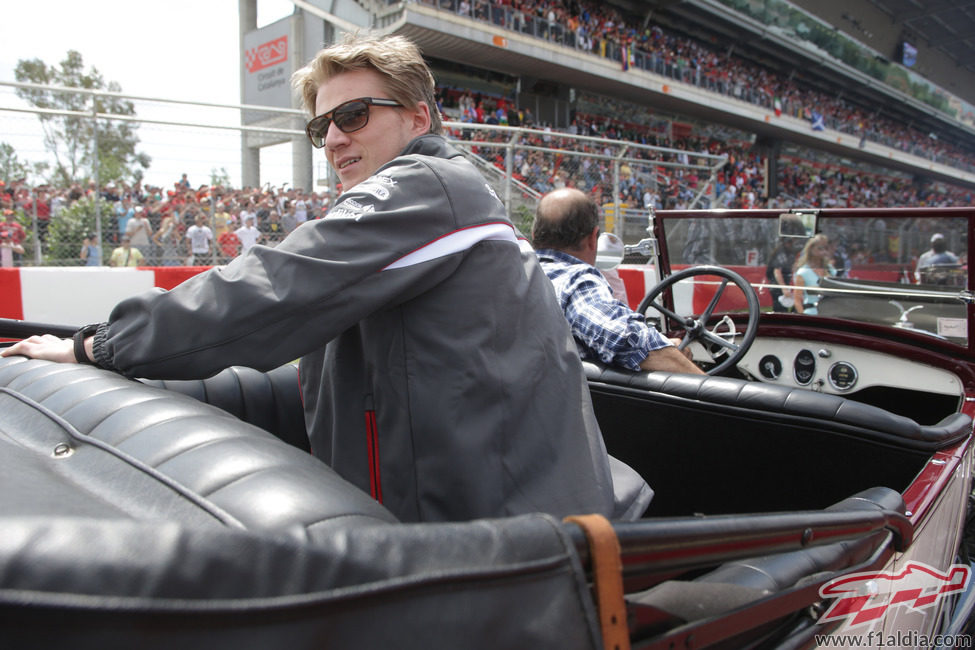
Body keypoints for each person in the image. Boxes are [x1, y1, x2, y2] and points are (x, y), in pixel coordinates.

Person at [2, 33, 627, 524]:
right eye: (320, 125)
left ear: (417, 116)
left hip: (500, 546)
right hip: (463, 523)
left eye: (353, 115)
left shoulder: (427, 186)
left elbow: (272, 286)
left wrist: (95, 347)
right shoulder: (433, 199)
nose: (331, 138)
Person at [532, 187, 703, 375]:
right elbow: (625, 339)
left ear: (534, 235)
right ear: (592, 239)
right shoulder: (576, 282)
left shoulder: (515, 274)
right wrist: (707, 385)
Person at [792, 234, 836, 315]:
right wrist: (803, 316)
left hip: (830, 313)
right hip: (811, 313)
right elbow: (797, 299)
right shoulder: (803, 272)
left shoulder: (830, 269)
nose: (824, 251)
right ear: (811, 249)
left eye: (826, 248)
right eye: (820, 248)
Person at [765, 237, 797, 312]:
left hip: (781, 284)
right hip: (777, 285)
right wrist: (784, 288)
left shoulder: (789, 253)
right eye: (790, 242)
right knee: (780, 309)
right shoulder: (781, 253)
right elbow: (777, 271)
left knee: (784, 308)